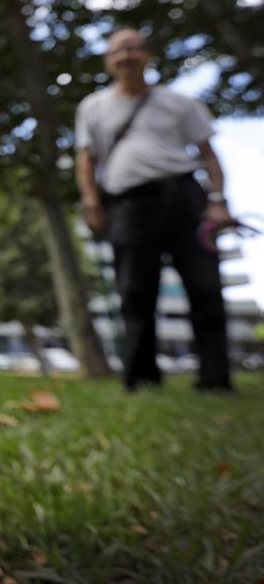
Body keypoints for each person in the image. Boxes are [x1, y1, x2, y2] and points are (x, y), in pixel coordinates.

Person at [75, 28, 235, 393]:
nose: (125, 56)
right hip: (129, 205)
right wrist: (91, 202)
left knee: (205, 287)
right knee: (134, 291)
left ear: (148, 55)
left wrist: (218, 201)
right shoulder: (93, 107)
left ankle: (215, 379)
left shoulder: (180, 103)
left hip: (184, 198)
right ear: (108, 62)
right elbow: (86, 159)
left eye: (132, 48)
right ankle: (141, 377)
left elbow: (209, 155)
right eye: (117, 50)